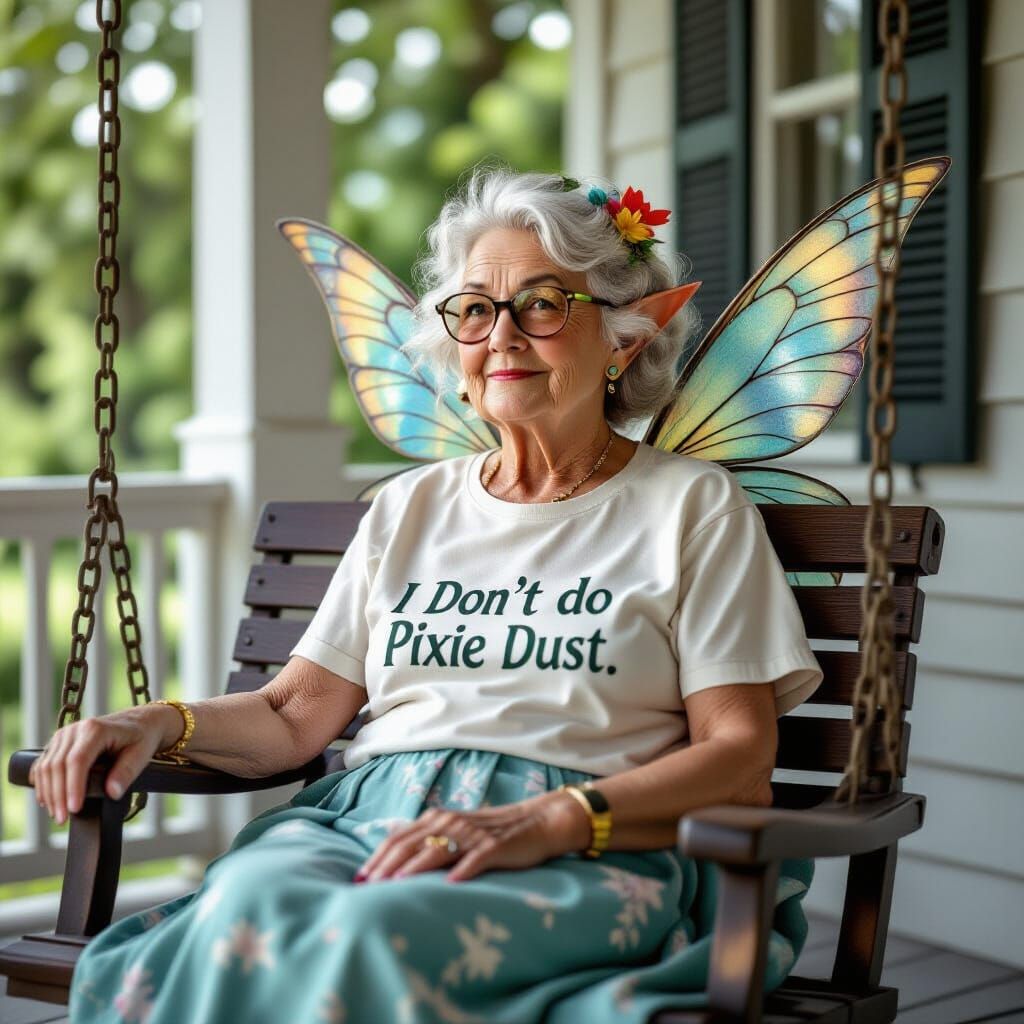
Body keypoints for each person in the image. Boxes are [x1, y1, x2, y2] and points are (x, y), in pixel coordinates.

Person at [35, 167, 823, 1023]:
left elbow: (740, 756)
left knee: (369, 936)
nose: (503, 337)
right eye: (476, 309)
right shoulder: (413, 505)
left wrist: (555, 818)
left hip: (581, 846)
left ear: (626, 340)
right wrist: (156, 721)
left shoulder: (690, 506)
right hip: (363, 826)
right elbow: (296, 714)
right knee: (245, 906)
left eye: (545, 304)